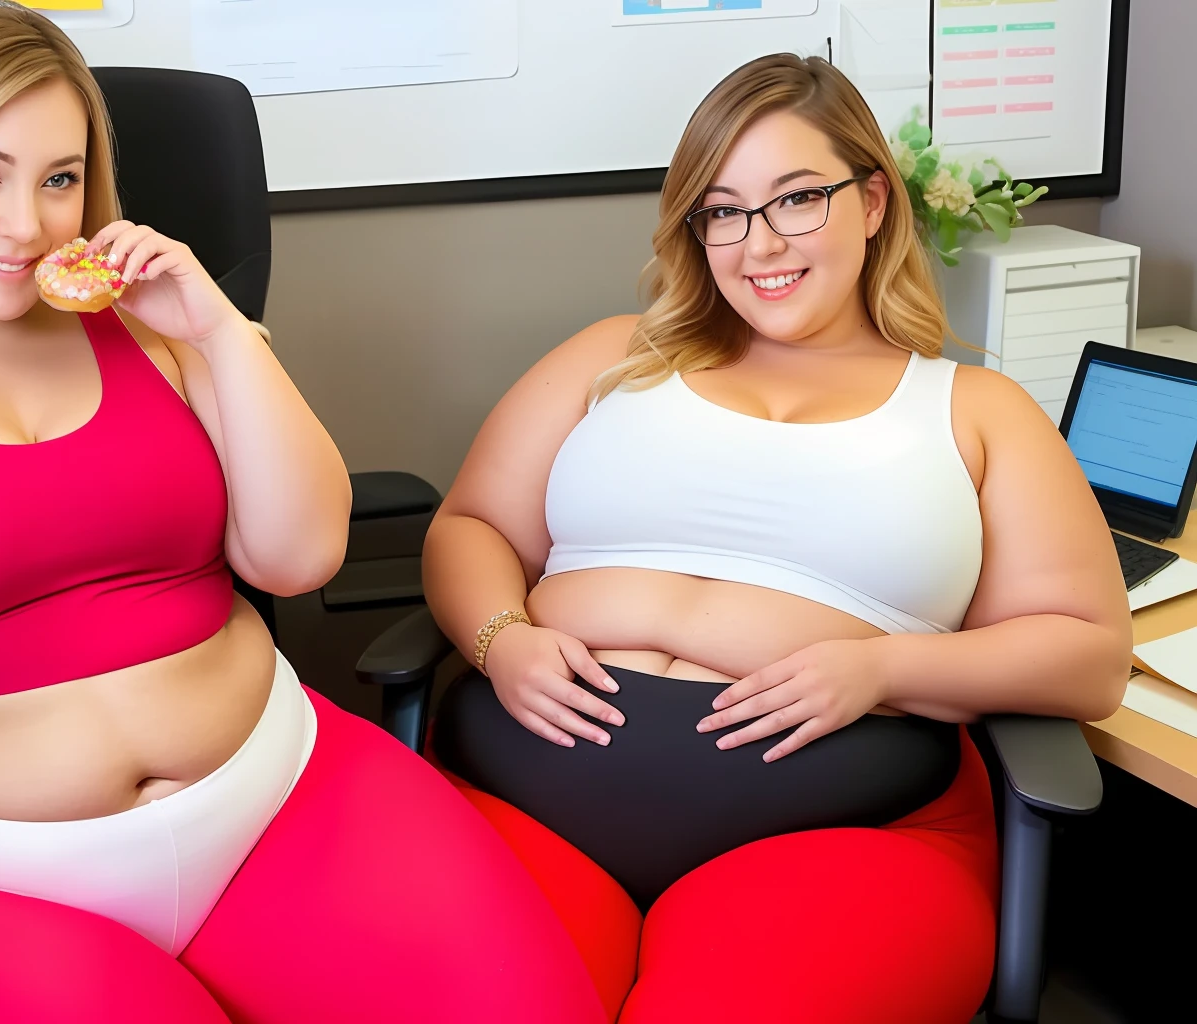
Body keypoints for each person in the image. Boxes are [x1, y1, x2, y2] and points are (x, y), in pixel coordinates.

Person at [0, 4, 607, 1023]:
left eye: (61, 178)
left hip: (272, 796)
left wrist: (220, 327)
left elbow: (301, 555)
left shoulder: (165, 340)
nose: (26, 223)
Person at [422, 54, 1131, 1024]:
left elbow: (1089, 656)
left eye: (798, 199)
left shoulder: (975, 410)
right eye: (722, 210)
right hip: (528, 803)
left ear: (874, 200)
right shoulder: (613, 357)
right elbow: (468, 527)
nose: (760, 244)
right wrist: (502, 638)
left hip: (836, 834)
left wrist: (880, 668)